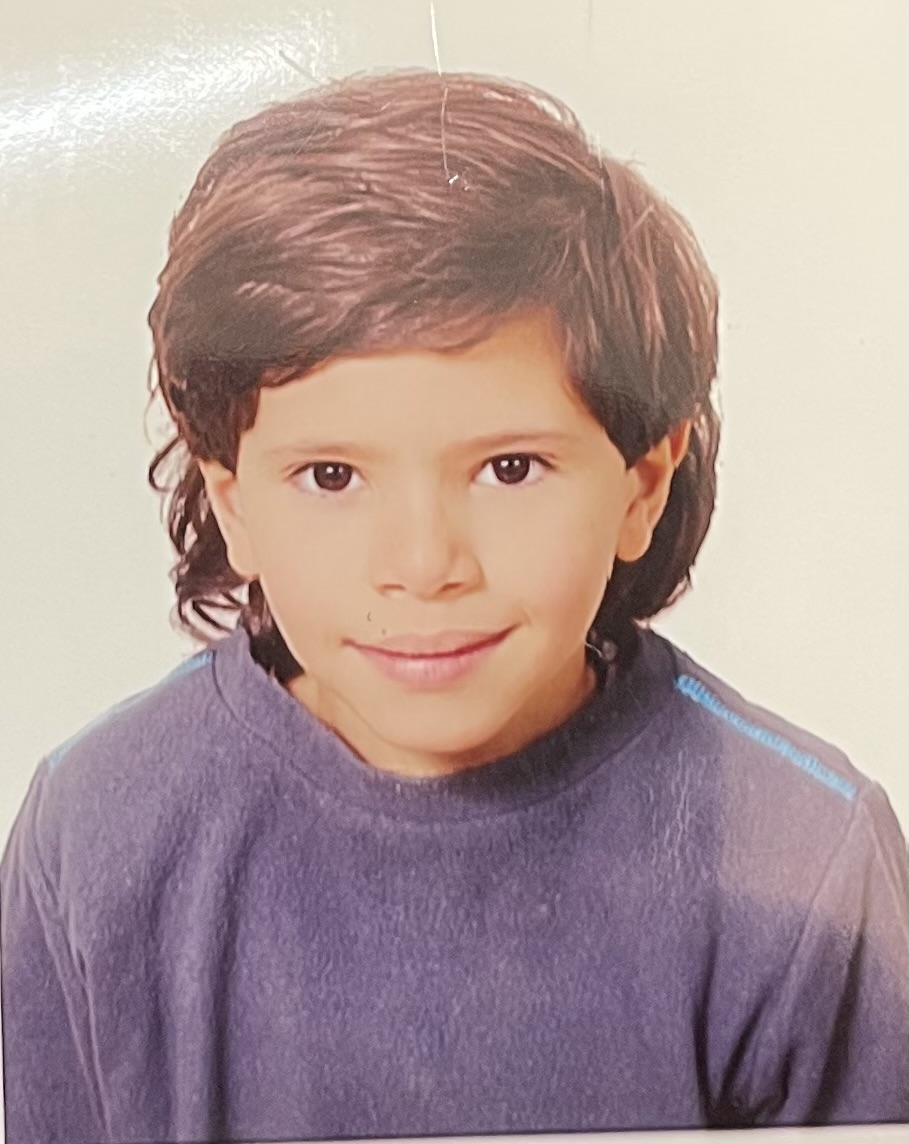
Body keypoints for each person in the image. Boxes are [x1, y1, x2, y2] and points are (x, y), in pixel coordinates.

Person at [1, 69, 906, 1144]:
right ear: (232, 503)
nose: (423, 565)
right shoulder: (95, 835)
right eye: (332, 476)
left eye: (509, 468)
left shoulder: (805, 856)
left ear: (642, 486)